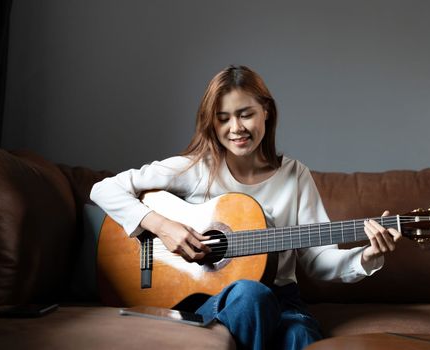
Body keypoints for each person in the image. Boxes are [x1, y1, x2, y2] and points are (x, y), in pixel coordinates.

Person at [90, 65, 402, 350]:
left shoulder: (294, 176)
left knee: (300, 337)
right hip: (213, 303)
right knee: (251, 295)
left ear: (266, 111)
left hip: (283, 302)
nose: (236, 127)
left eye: (245, 114)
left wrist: (366, 256)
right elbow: (103, 189)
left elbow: (318, 260)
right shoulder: (198, 169)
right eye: (223, 118)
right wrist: (162, 226)